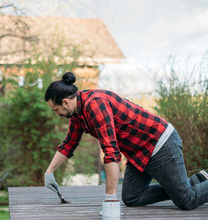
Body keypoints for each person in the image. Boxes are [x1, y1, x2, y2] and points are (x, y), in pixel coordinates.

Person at [43, 72, 208, 210]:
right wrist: (49, 172)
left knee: (187, 200)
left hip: (159, 143)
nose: (57, 114)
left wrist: (110, 198)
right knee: (132, 197)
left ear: (65, 102)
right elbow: (68, 145)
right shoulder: (77, 115)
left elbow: (110, 151)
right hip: (137, 152)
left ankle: (183, 189)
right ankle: (191, 183)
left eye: (56, 110)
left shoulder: (95, 104)